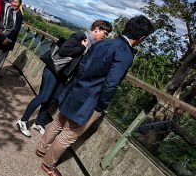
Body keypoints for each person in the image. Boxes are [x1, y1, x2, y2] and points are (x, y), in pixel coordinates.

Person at [36, 16, 154, 176]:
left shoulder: (104, 42)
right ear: (142, 38)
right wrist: (102, 105)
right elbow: (111, 84)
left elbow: (83, 63)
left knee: (59, 121)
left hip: (76, 88)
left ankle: (41, 149)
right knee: (70, 134)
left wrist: (81, 82)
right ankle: (48, 164)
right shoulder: (125, 54)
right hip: (90, 99)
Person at [16, 20, 113, 137]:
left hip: (62, 74)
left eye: (107, 34)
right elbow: (63, 50)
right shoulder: (80, 36)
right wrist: (81, 48)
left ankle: (39, 122)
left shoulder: (92, 44)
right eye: (105, 33)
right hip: (53, 70)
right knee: (43, 97)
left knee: (53, 99)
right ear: (96, 29)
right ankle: (23, 120)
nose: (106, 36)